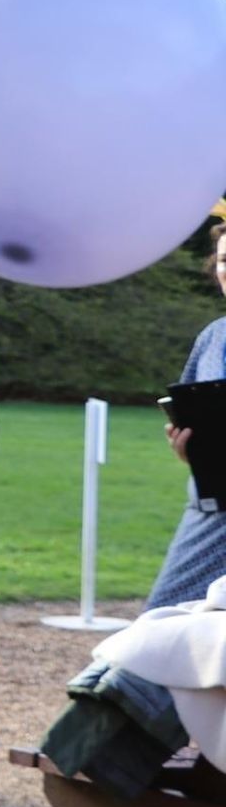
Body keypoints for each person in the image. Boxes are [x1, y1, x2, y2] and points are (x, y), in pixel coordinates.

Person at [145, 219, 226, 607]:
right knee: (160, 627)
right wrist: (189, 448)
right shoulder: (213, 337)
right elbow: (191, 406)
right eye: (225, 259)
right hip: (212, 513)